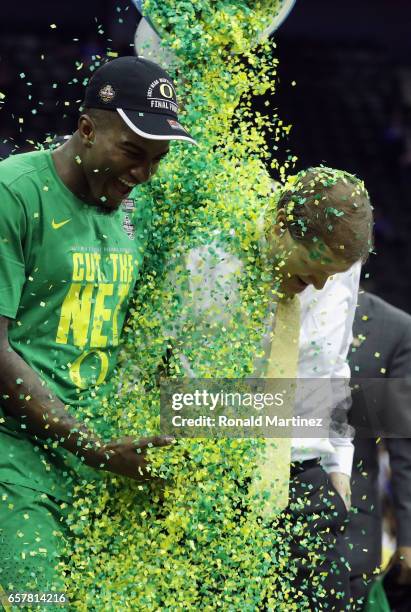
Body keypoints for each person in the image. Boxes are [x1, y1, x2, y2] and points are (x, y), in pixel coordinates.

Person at [0, 55, 196, 599]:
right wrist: (95, 448)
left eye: (157, 160)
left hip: (99, 474)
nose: (143, 174)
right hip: (16, 468)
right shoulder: (13, 192)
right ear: (86, 129)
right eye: (133, 153)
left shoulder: (133, 206)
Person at [165, 166, 373, 609]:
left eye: (334, 274)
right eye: (312, 268)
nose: (320, 284)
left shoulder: (338, 265)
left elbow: (333, 363)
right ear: (279, 226)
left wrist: (338, 464)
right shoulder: (205, 250)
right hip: (208, 484)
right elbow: (153, 356)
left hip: (304, 480)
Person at [346, 290, 411, 609]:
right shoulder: (247, 299)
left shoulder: (394, 328)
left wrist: (409, 537)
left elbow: (405, 446)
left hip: (348, 529)